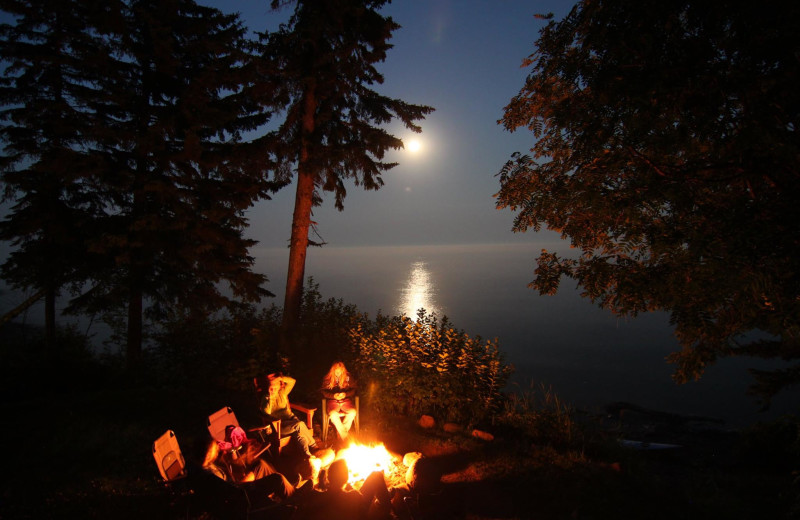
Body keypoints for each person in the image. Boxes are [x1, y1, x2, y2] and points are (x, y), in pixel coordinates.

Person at [200, 437, 296, 504]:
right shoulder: (211, 474)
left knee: (260, 464)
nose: (217, 451)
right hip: (240, 495)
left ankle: (289, 490)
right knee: (277, 479)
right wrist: (240, 482)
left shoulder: (205, 466)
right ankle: (295, 498)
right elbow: (229, 492)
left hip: (236, 489)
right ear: (208, 454)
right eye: (214, 450)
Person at [295, 458, 392, 520]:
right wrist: (351, 490)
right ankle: (387, 506)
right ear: (346, 478)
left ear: (329, 478)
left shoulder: (316, 496)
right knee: (376, 475)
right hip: (356, 512)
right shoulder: (354, 496)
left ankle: (386, 496)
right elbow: (361, 510)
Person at [260, 373, 317, 458]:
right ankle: (314, 446)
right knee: (300, 425)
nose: (274, 388)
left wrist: (280, 378)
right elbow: (266, 413)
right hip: (279, 426)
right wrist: (271, 398)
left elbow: (292, 381)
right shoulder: (266, 398)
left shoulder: (283, 393)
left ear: (280, 385)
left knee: (300, 434)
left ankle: (307, 455)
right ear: (269, 387)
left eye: (276, 385)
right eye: (272, 386)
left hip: (292, 420)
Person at [321, 361, 358, 441]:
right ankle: (345, 437)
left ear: (343, 370)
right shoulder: (328, 378)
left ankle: (340, 434)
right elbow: (323, 391)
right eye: (336, 371)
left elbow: (354, 389)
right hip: (333, 401)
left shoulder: (348, 377)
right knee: (333, 414)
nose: (338, 373)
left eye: (340, 371)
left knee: (352, 412)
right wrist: (333, 396)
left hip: (345, 400)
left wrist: (345, 394)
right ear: (333, 370)